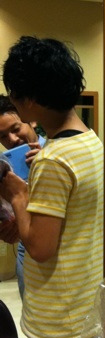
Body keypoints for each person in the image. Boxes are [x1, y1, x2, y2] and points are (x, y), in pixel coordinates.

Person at [0, 36, 104, 338]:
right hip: (85, 302)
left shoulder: (52, 159)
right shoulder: (90, 141)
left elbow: (41, 249)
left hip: (60, 318)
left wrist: (17, 194)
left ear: (28, 100)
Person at [0, 94, 45, 298]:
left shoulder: (55, 152)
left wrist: (47, 162)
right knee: (29, 305)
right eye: (2, 136)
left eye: (16, 129)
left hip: (56, 246)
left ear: (30, 120)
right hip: (24, 248)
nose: (12, 140)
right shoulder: (3, 166)